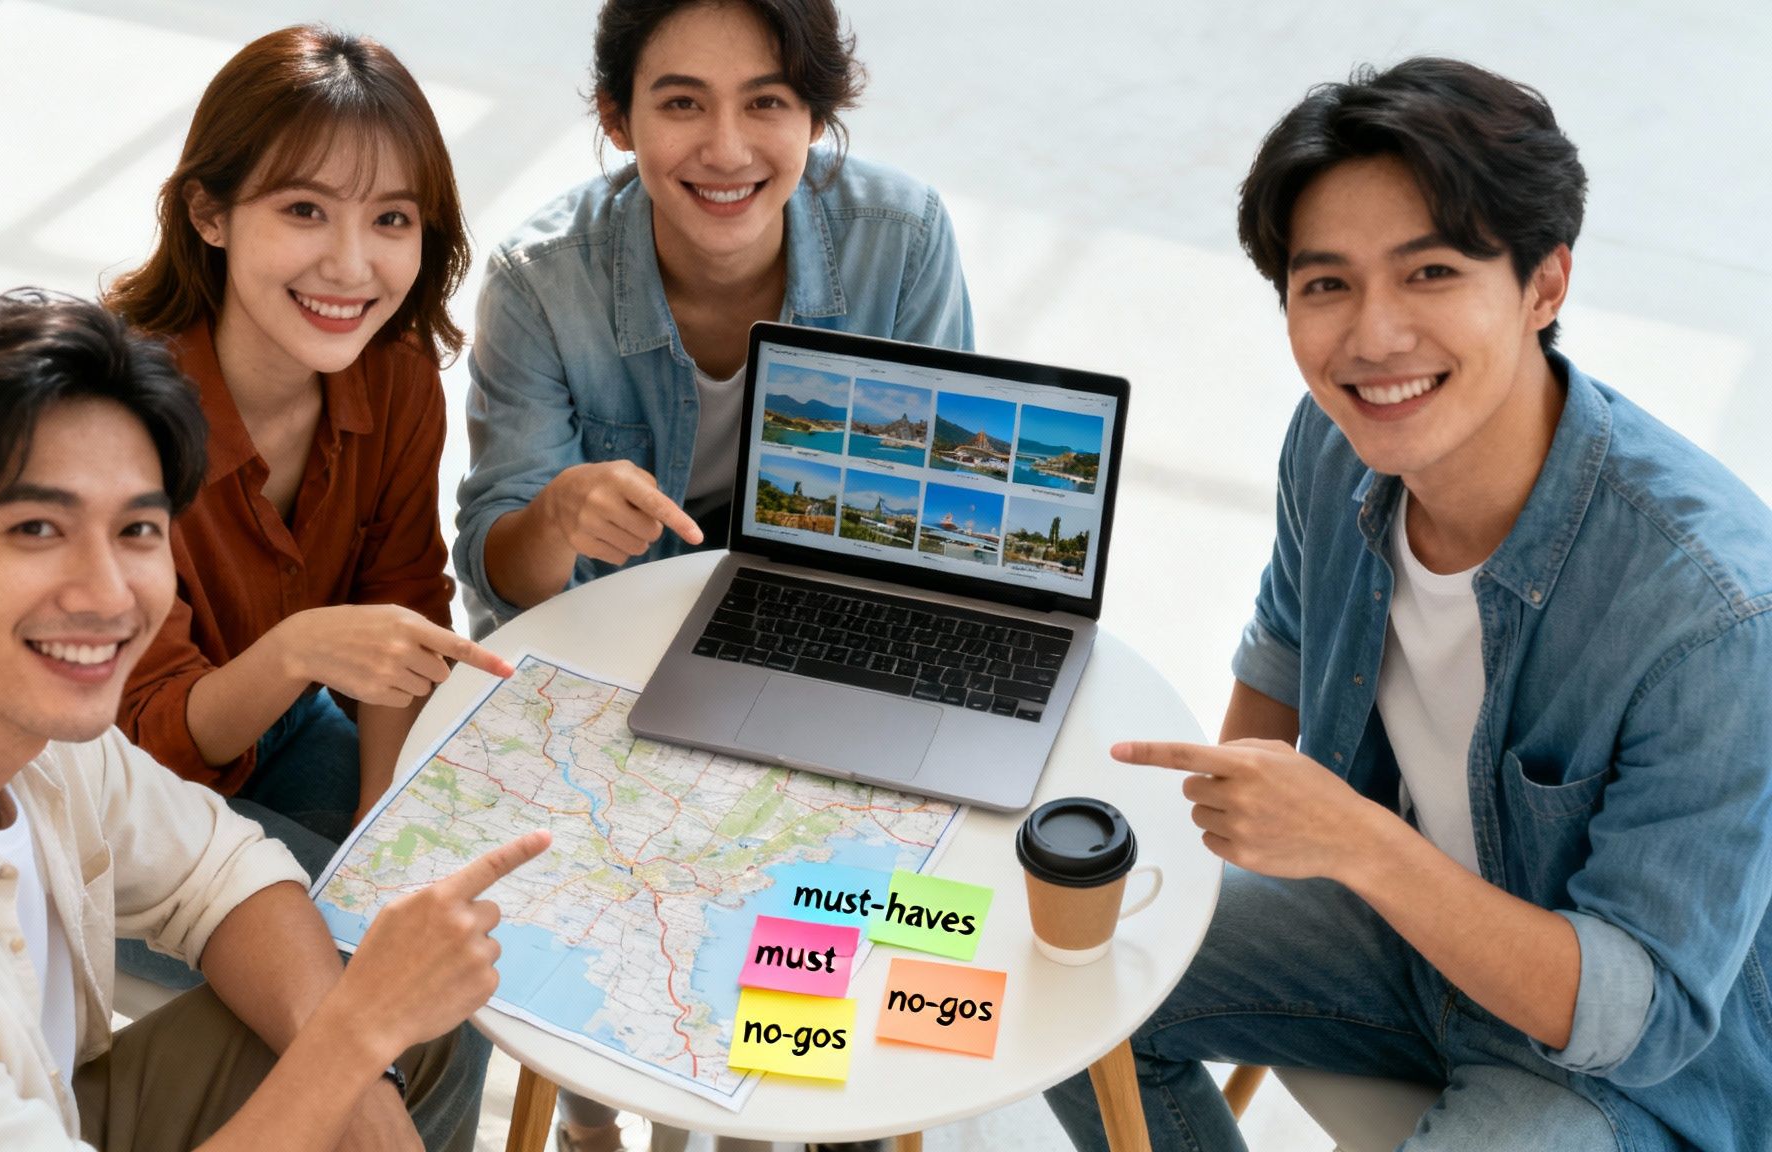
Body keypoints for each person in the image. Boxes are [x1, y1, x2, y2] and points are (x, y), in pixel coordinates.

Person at [1042, 58, 1772, 1151]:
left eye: (1428, 272)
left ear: (1543, 285)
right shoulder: (1332, 444)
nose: (1371, 339)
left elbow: (1639, 1014)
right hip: (1389, 938)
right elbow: (1281, 660)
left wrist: (1360, 847)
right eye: (1323, 283)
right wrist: (1197, 874)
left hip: (1616, 1072)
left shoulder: (1714, 615)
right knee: (1070, 975)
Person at [0, 291, 550, 1151]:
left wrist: (368, 1088)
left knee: (418, 1018)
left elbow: (220, 870)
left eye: (138, 529)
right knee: (373, 1017)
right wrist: (352, 1043)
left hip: (48, 1101)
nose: (108, 595)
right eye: (37, 527)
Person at [105, 25, 510, 895]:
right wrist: (294, 654)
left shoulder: (394, 374)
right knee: (376, 993)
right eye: (304, 210)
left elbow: (403, 608)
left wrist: (382, 829)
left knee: (455, 916)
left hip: (279, 730)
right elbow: (150, 736)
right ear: (208, 213)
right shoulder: (110, 422)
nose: (352, 265)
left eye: (391, 218)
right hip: (109, 803)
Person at [455, 0, 975, 636]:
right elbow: (504, 588)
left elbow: (930, 516)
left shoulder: (903, 240)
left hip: (813, 620)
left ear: (815, 116)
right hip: (605, 634)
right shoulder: (538, 282)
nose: (727, 153)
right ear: (617, 119)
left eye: (766, 102)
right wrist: (554, 518)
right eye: (682, 103)